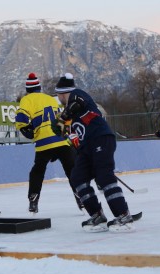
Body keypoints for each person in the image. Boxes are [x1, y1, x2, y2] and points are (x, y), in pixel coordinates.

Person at [53, 73, 134, 233]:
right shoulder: (71, 114)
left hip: (101, 139)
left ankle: (123, 214)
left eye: (58, 95)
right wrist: (63, 129)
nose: (59, 99)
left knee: (104, 176)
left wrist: (65, 115)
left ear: (63, 93)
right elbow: (72, 132)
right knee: (77, 177)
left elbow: (78, 102)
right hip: (87, 146)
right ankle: (97, 215)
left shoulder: (77, 94)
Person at [15, 72, 83, 214]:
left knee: (37, 171)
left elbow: (21, 119)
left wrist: (24, 128)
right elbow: (62, 119)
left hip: (44, 142)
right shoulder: (51, 99)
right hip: (61, 140)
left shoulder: (27, 100)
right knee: (72, 170)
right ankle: (81, 197)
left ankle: (33, 200)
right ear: (39, 88)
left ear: (28, 90)